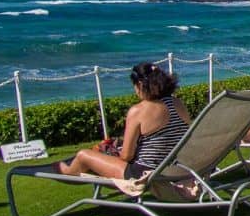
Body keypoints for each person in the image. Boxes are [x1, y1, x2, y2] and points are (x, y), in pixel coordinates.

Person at [58, 62, 191, 179]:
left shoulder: (139, 110)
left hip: (144, 173)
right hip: (174, 168)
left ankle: (66, 171)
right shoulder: (177, 103)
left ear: (139, 84)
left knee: (83, 155)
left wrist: (113, 154)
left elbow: (126, 156)